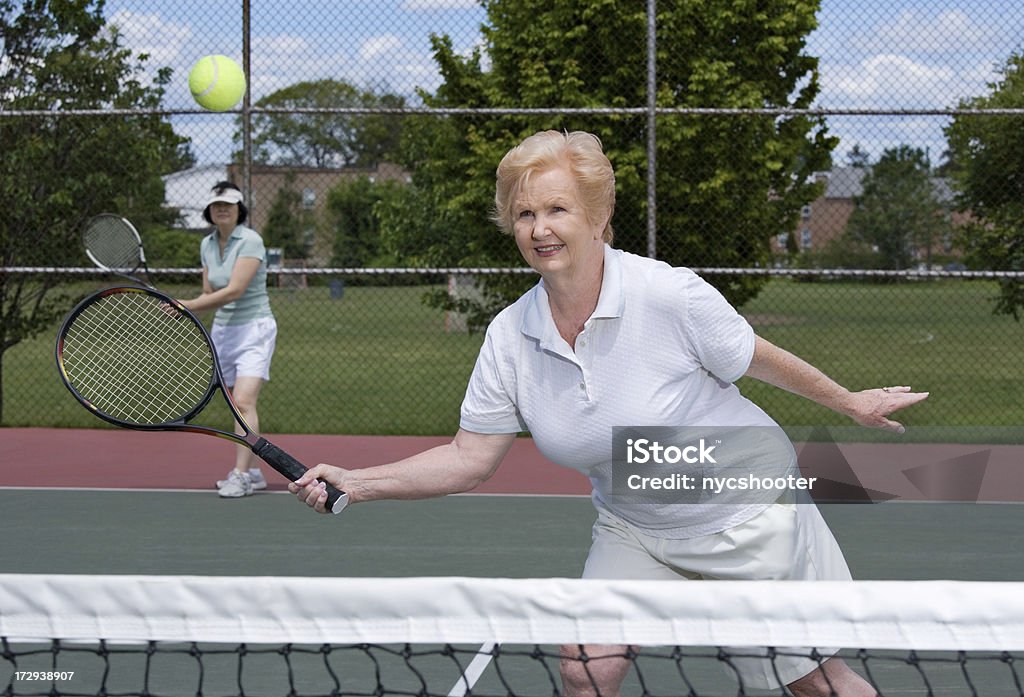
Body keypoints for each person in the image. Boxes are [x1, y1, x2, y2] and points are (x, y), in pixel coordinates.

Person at [289, 131, 928, 696]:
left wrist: (849, 401)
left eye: (558, 209)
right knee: (584, 666)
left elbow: (757, 358)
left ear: (598, 217)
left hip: (745, 513)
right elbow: (468, 458)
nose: (540, 228)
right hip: (636, 526)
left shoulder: (668, 294)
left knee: (812, 680)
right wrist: (358, 482)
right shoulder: (511, 337)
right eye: (524, 214)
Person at [178, 181, 278, 499]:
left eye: (229, 205)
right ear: (209, 210)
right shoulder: (207, 244)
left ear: (239, 210)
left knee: (244, 402)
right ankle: (253, 470)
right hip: (223, 331)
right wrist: (188, 305)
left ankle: (241, 475)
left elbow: (234, 290)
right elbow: (210, 293)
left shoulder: (251, 241)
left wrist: (188, 307)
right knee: (236, 406)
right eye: (217, 205)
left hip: (254, 330)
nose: (222, 209)